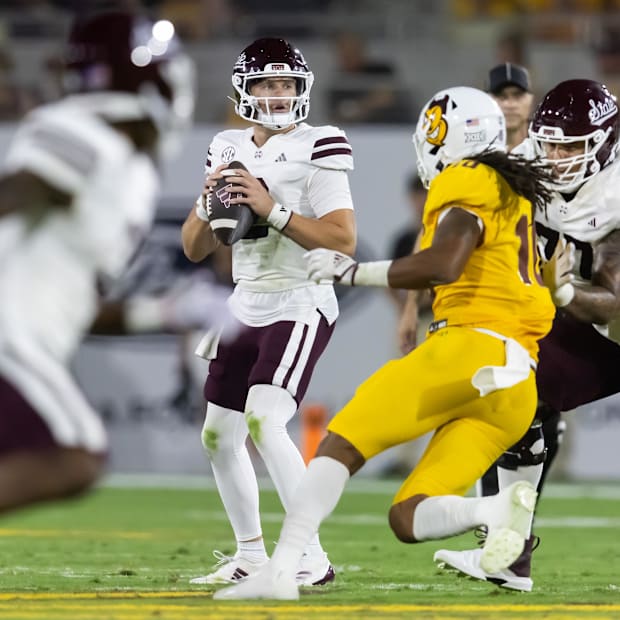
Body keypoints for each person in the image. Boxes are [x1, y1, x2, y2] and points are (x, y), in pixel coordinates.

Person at [213, 85, 557, 601]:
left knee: (339, 444)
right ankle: (493, 511)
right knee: (407, 515)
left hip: (471, 350)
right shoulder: (514, 188)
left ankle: (282, 571)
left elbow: (444, 263)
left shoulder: (467, 177)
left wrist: (355, 272)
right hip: (516, 384)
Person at [0, 10, 194, 514]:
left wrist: (167, 313)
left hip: (28, 336)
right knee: (75, 454)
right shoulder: (85, 131)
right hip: (10, 339)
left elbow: (81, 306)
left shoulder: (128, 170)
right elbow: (19, 190)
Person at [181, 37, 356, 586]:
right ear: (245, 90)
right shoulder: (226, 145)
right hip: (244, 301)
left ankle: (312, 556)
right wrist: (208, 203)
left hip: (299, 299)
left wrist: (272, 209)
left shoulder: (321, 142)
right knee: (218, 436)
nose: (277, 94)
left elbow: (343, 238)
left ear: (301, 89)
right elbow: (194, 247)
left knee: (265, 417)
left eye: (286, 84)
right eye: (265, 84)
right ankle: (251, 554)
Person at [434, 79, 620, 592]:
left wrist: (563, 295)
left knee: (515, 386)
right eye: (551, 143)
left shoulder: (614, 195)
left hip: (609, 329)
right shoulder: (526, 165)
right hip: (573, 322)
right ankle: (508, 551)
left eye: (571, 146)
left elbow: (611, 296)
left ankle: (508, 549)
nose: (557, 157)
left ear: (605, 143)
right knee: (502, 385)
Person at [326, 31, 414, 125]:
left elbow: (387, 97)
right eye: (343, 50)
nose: (348, 55)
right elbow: (339, 115)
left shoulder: (381, 70)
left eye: (352, 49)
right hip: (360, 132)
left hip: (392, 126)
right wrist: (369, 104)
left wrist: (357, 108)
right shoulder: (337, 83)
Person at [486, 62, 534, 151]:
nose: (509, 104)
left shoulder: (547, 147)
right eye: (501, 95)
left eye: (518, 95)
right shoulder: (473, 149)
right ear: (487, 100)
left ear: (531, 99)